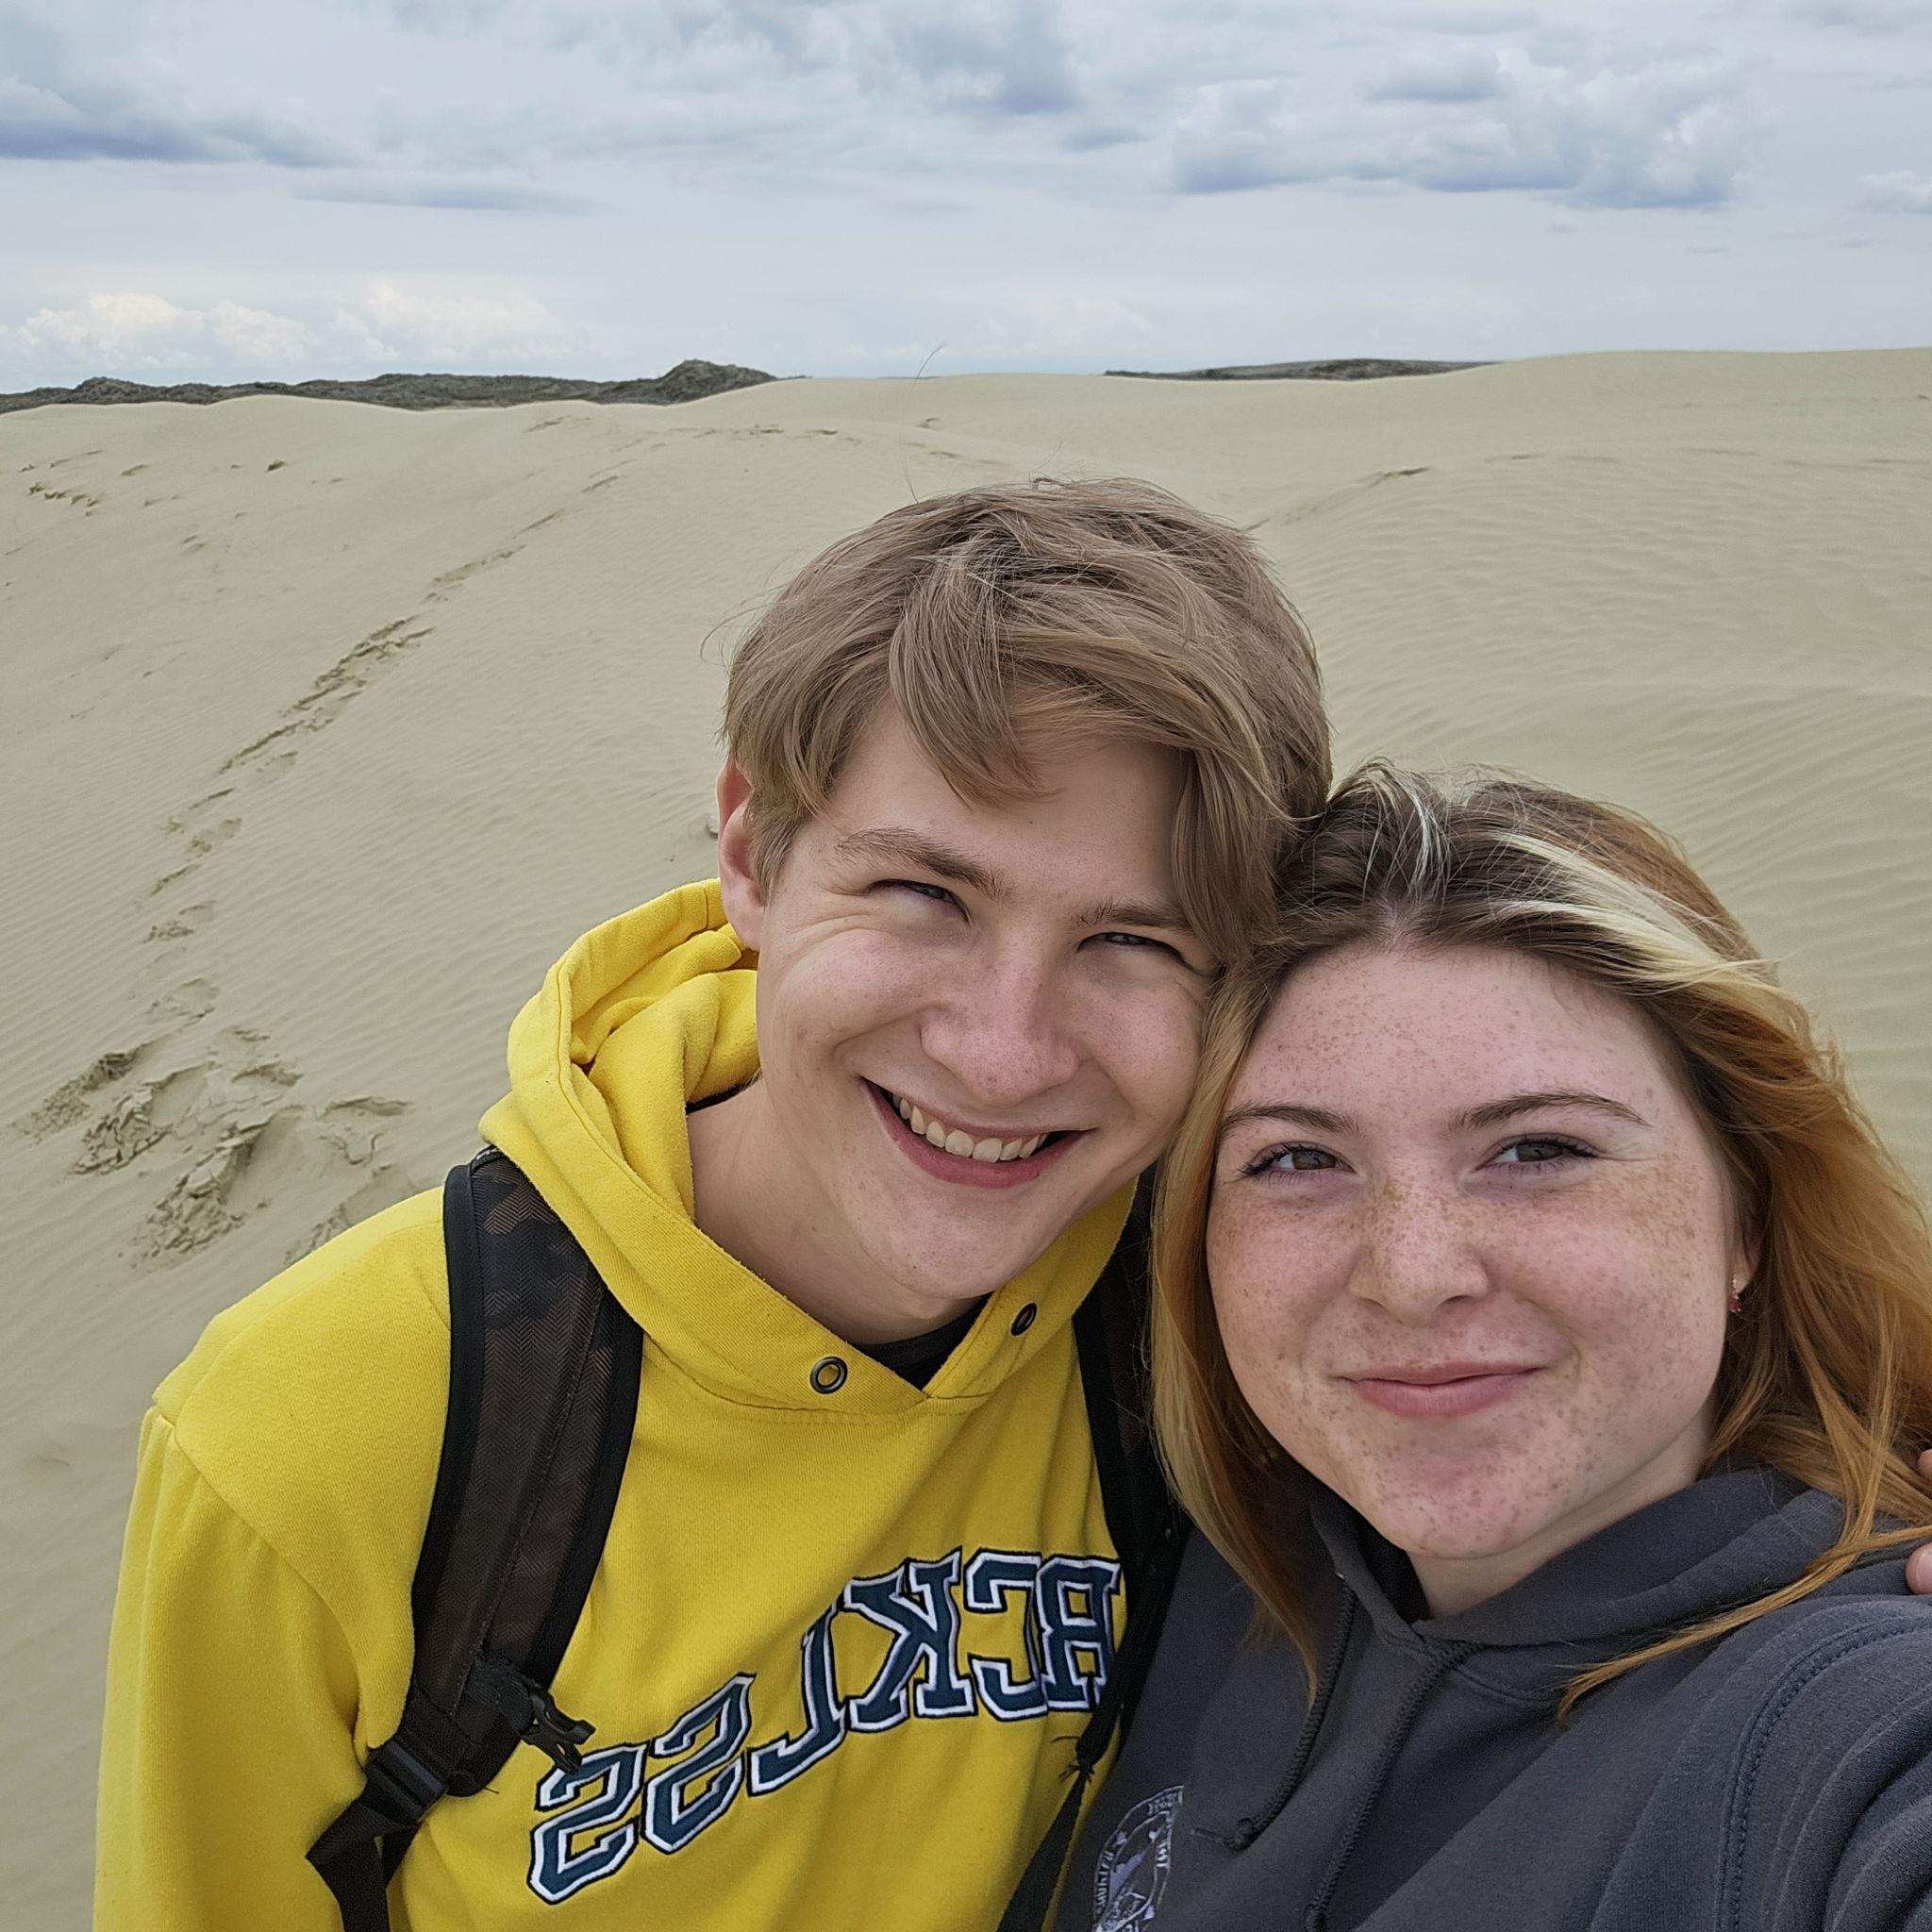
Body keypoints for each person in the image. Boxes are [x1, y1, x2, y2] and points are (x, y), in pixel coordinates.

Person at [94, 478, 1331, 1930]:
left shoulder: (1216, 1313)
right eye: (923, 894)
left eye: (1133, 939)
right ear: (749, 851)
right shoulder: (309, 1433)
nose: (1004, 1054)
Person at [1063, 764, 1932, 1932]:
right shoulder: (1197, 1540)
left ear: (1748, 1217)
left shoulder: (1853, 1718)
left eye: (1539, 1148)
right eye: (1296, 1158)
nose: (1411, 1274)